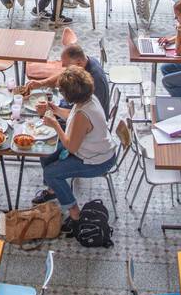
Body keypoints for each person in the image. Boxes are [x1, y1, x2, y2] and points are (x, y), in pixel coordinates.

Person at [30, 67, 117, 235]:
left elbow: (71, 146)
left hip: (96, 160)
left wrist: (55, 124)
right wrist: (54, 109)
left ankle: (74, 212)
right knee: (45, 151)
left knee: (51, 173)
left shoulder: (82, 115)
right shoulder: (89, 99)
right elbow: (72, 115)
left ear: (69, 95)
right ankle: (53, 190)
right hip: (93, 148)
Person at [19, 43, 111, 114]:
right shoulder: (86, 61)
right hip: (72, 110)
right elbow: (63, 74)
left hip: (87, 126)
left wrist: (52, 110)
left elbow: (80, 116)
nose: (64, 69)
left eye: (66, 66)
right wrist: (41, 83)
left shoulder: (95, 82)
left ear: (78, 63)